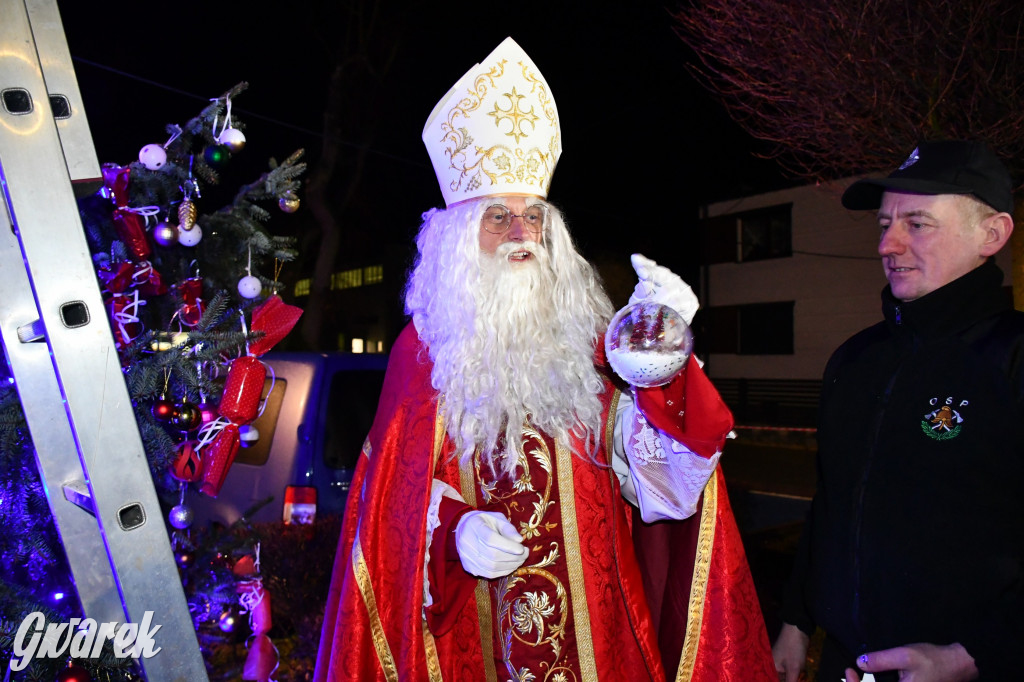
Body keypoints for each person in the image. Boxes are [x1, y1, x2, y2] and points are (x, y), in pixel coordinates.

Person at [314, 37, 775, 681]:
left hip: (601, 639)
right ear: (455, 242)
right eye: (498, 215)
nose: (521, 232)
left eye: (533, 216)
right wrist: (452, 530)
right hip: (472, 638)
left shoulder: (592, 345)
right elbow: (388, 507)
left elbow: (665, 495)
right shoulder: (424, 354)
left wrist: (662, 355)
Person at [772, 140, 1024, 682]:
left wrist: (972, 656)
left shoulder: (1013, 357)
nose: (888, 243)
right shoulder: (855, 358)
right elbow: (831, 503)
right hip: (844, 665)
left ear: (992, 234)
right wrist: (796, 622)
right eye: (884, 223)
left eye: (918, 223)